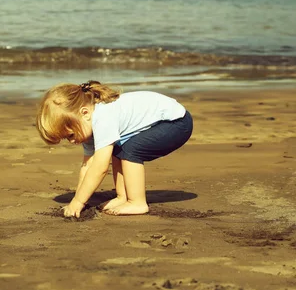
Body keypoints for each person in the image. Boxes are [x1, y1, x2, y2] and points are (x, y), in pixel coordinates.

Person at [36, 80, 193, 217]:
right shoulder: (87, 123)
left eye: (70, 135)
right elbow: (88, 165)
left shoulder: (103, 118)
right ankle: (122, 196)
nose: (71, 141)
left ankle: (137, 202)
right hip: (166, 122)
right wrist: (79, 199)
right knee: (118, 149)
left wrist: (78, 202)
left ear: (84, 113)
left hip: (176, 123)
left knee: (131, 149)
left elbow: (100, 168)